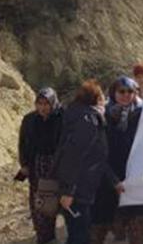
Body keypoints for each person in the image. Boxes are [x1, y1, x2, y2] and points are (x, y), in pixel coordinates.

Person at [55, 80, 123, 244]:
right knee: (80, 236)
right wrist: (68, 191)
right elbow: (73, 156)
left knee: (80, 233)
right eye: (102, 97)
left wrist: (114, 181)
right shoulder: (87, 121)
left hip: (82, 189)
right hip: (77, 190)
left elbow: (97, 158)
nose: (105, 101)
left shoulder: (84, 117)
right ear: (96, 99)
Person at [90, 77, 143, 244]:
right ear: (113, 93)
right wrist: (114, 181)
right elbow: (97, 154)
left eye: (130, 91)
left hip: (136, 182)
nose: (126, 95)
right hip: (107, 183)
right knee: (97, 231)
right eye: (121, 91)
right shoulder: (101, 117)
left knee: (139, 232)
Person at [18, 88, 62, 244]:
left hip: (57, 167)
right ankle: (44, 237)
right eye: (40, 103)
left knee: (56, 202)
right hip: (37, 166)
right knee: (39, 203)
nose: (43, 107)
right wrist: (24, 164)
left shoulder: (62, 117)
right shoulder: (30, 120)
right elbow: (23, 143)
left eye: (47, 104)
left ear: (53, 103)